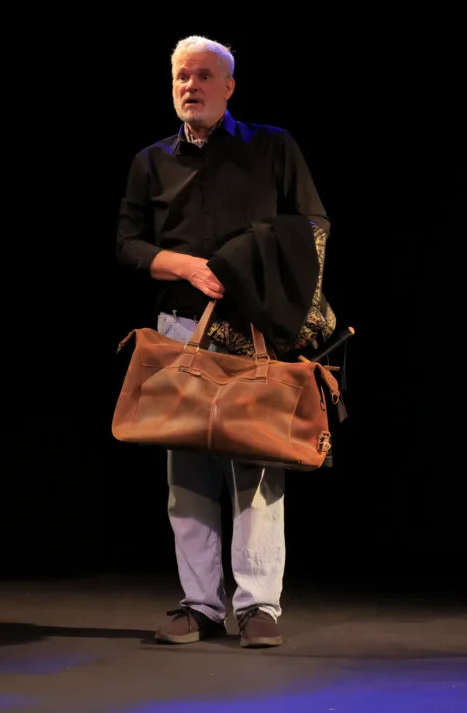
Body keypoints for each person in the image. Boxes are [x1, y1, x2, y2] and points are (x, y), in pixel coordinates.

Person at [115, 35, 330, 648]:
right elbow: (128, 245)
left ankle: (259, 605)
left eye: (204, 76)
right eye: (182, 76)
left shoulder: (272, 146)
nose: (191, 86)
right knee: (186, 471)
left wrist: (246, 268)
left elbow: (312, 225)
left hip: (254, 330)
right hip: (182, 332)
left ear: (229, 87)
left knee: (257, 464)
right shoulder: (151, 161)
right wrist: (186, 267)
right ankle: (200, 605)